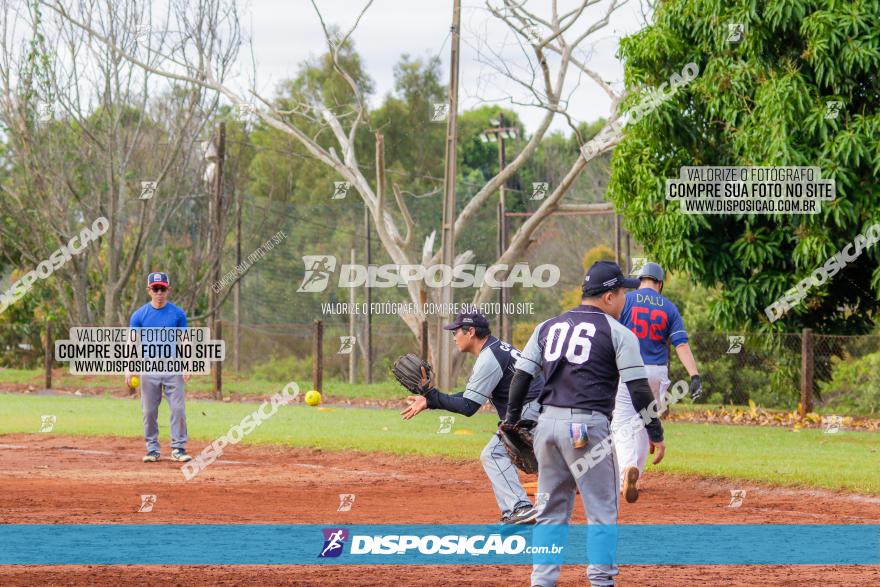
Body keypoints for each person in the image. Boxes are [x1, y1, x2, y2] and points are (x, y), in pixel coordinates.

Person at [505, 261, 665, 587]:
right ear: (608, 296)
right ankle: (602, 582)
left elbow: (521, 376)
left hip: (546, 427)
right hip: (586, 428)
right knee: (602, 513)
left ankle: (542, 582)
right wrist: (655, 432)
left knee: (550, 513)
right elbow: (637, 388)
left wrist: (510, 420)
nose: (625, 300)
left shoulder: (549, 326)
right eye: (622, 293)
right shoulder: (619, 332)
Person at [401, 310, 544, 524]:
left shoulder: (489, 358)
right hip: (538, 405)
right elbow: (470, 397)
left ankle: (521, 508)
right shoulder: (496, 349)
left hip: (530, 408)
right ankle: (512, 512)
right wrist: (430, 400)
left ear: (471, 332)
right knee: (503, 455)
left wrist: (432, 396)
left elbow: (468, 406)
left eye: (456, 331)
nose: (453, 336)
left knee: (493, 454)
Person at [611, 262, 702, 503]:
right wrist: (694, 376)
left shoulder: (627, 301)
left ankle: (626, 473)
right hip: (657, 372)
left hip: (630, 368)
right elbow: (681, 345)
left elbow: (612, 335)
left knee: (621, 422)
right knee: (644, 420)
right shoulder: (670, 308)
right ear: (660, 284)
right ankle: (636, 475)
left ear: (641, 280)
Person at [126, 271, 192, 463]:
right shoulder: (139, 315)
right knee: (149, 411)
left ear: (168, 290)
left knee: (178, 409)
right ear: (149, 290)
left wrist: (188, 363)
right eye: (155, 289)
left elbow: (185, 341)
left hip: (172, 366)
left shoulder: (177, 314)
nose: (159, 292)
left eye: (162, 288)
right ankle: (152, 449)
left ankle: (178, 448)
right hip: (149, 367)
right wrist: (129, 368)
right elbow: (132, 343)